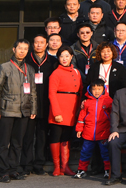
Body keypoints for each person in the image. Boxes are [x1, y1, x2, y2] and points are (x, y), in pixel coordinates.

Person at [0, 39, 38, 182]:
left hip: (23, 111)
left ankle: (13, 169)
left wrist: (33, 108)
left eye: (25, 49)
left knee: (18, 143)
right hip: (6, 111)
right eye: (20, 48)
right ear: (14, 49)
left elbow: (33, 91)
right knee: (3, 142)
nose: (22, 51)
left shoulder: (29, 69)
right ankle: (3, 171)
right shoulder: (3, 67)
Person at [21, 34, 56, 176]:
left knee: (42, 136)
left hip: (46, 104)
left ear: (46, 44)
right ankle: (26, 164)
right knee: (28, 136)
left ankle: (39, 164)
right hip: (29, 103)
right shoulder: (26, 60)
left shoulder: (53, 61)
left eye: (42, 42)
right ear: (32, 44)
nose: (39, 45)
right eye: (36, 42)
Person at [48, 47, 83, 177]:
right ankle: (57, 166)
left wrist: (79, 109)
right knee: (56, 136)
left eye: (67, 56)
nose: (64, 59)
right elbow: (51, 93)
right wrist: (56, 112)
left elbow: (80, 91)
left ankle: (65, 166)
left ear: (71, 57)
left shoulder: (76, 72)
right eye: (62, 56)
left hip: (72, 109)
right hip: (59, 108)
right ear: (58, 58)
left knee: (66, 138)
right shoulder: (56, 73)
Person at [74, 79, 113, 179]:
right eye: (94, 89)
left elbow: (113, 115)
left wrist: (112, 129)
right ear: (90, 89)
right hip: (88, 133)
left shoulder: (108, 101)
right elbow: (82, 117)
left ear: (103, 89)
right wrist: (79, 129)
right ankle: (81, 170)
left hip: (103, 132)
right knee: (85, 152)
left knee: (105, 153)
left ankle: (107, 170)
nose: (96, 91)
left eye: (99, 89)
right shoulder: (87, 102)